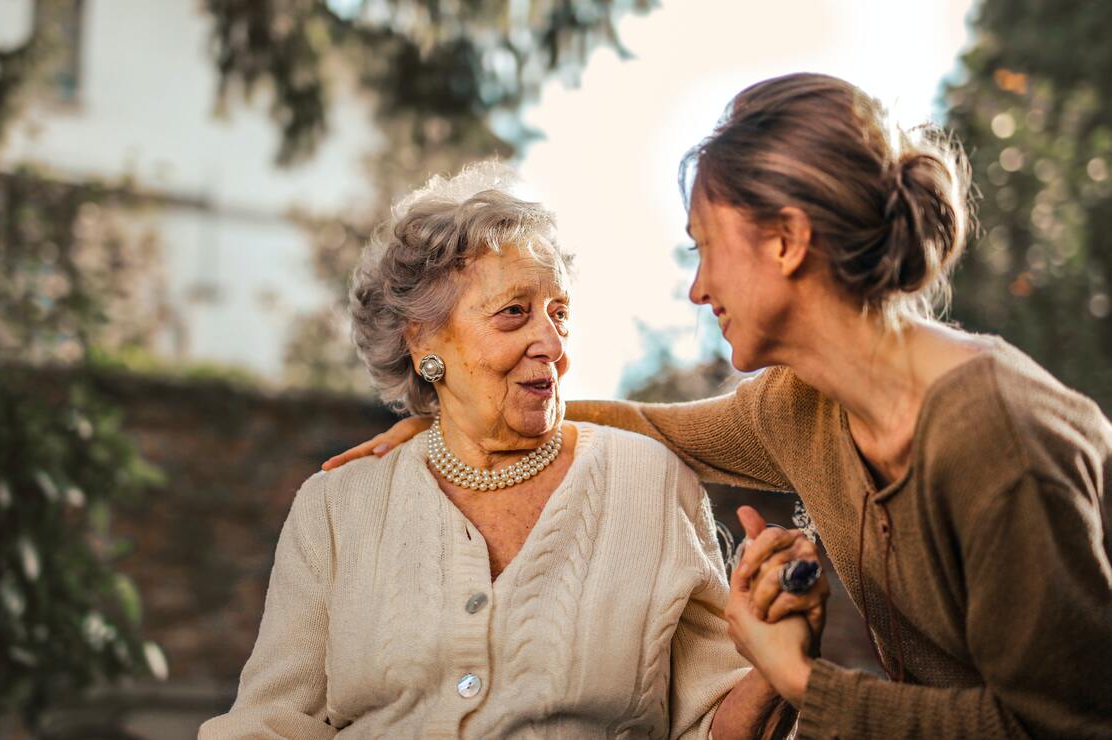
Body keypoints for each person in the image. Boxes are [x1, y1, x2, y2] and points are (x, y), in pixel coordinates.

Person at [323, 74, 1112, 739]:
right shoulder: (800, 407)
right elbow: (647, 425)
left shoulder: (997, 439)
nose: (697, 288)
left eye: (704, 246)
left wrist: (801, 680)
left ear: (786, 240)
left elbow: (1063, 725)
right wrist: (455, 413)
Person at [202, 164, 825, 738]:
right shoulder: (338, 507)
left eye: (559, 313)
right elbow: (271, 723)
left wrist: (777, 670)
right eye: (513, 314)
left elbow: (711, 726)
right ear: (424, 344)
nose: (551, 342)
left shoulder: (651, 483)